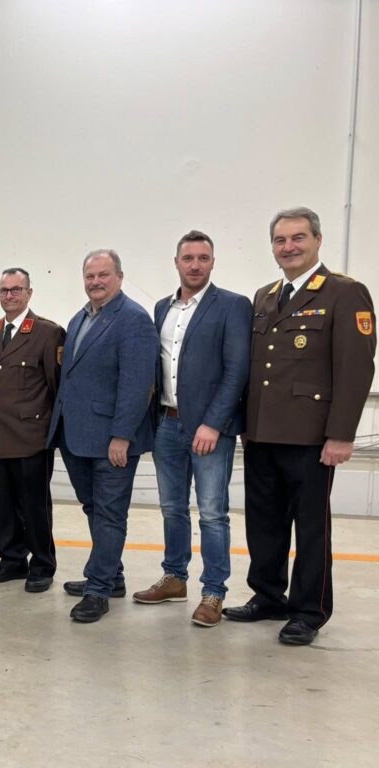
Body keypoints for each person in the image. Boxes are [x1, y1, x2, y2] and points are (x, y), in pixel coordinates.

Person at [222, 207, 376, 646]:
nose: (288, 247)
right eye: (280, 240)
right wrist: (246, 424)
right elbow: (256, 368)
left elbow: (355, 369)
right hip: (261, 434)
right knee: (264, 523)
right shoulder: (264, 296)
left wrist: (341, 434)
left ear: (317, 241)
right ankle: (268, 596)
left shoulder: (344, 293)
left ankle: (309, 610)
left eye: (298, 238)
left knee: (311, 529)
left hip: (311, 437)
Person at [133, 231, 251, 628]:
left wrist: (213, 424)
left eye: (203, 258)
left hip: (209, 431)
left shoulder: (232, 306)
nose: (195, 265)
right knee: (172, 508)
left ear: (213, 262)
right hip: (167, 424)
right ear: (177, 263)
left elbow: (236, 371)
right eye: (188, 258)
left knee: (213, 513)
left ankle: (213, 592)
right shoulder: (161, 307)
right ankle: (174, 578)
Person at [48, 249, 157, 623]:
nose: (95, 282)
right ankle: (113, 576)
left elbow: (137, 384)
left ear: (120, 277)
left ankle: (97, 590)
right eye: (90, 276)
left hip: (112, 440)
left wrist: (122, 436)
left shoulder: (134, 319)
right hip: (77, 435)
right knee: (93, 508)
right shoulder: (80, 317)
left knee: (110, 514)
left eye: (103, 275)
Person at [0, 268, 64, 593]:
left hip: (31, 437)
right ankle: (12, 560)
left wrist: (53, 434)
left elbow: (56, 388)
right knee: (2, 504)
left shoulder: (47, 333)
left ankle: (42, 564)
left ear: (29, 293)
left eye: (16, 289)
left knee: (34, 506)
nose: (9, 296)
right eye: (3, 291)